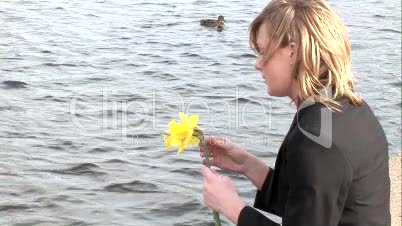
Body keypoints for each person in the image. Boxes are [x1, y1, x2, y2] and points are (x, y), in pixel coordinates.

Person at [199, 0, 391, 225]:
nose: (257, 64)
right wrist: (248, 166)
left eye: (263, 52)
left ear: (292, 51)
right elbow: (309, 204)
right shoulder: (347, 108)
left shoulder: (316, 140)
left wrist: (232, 208)